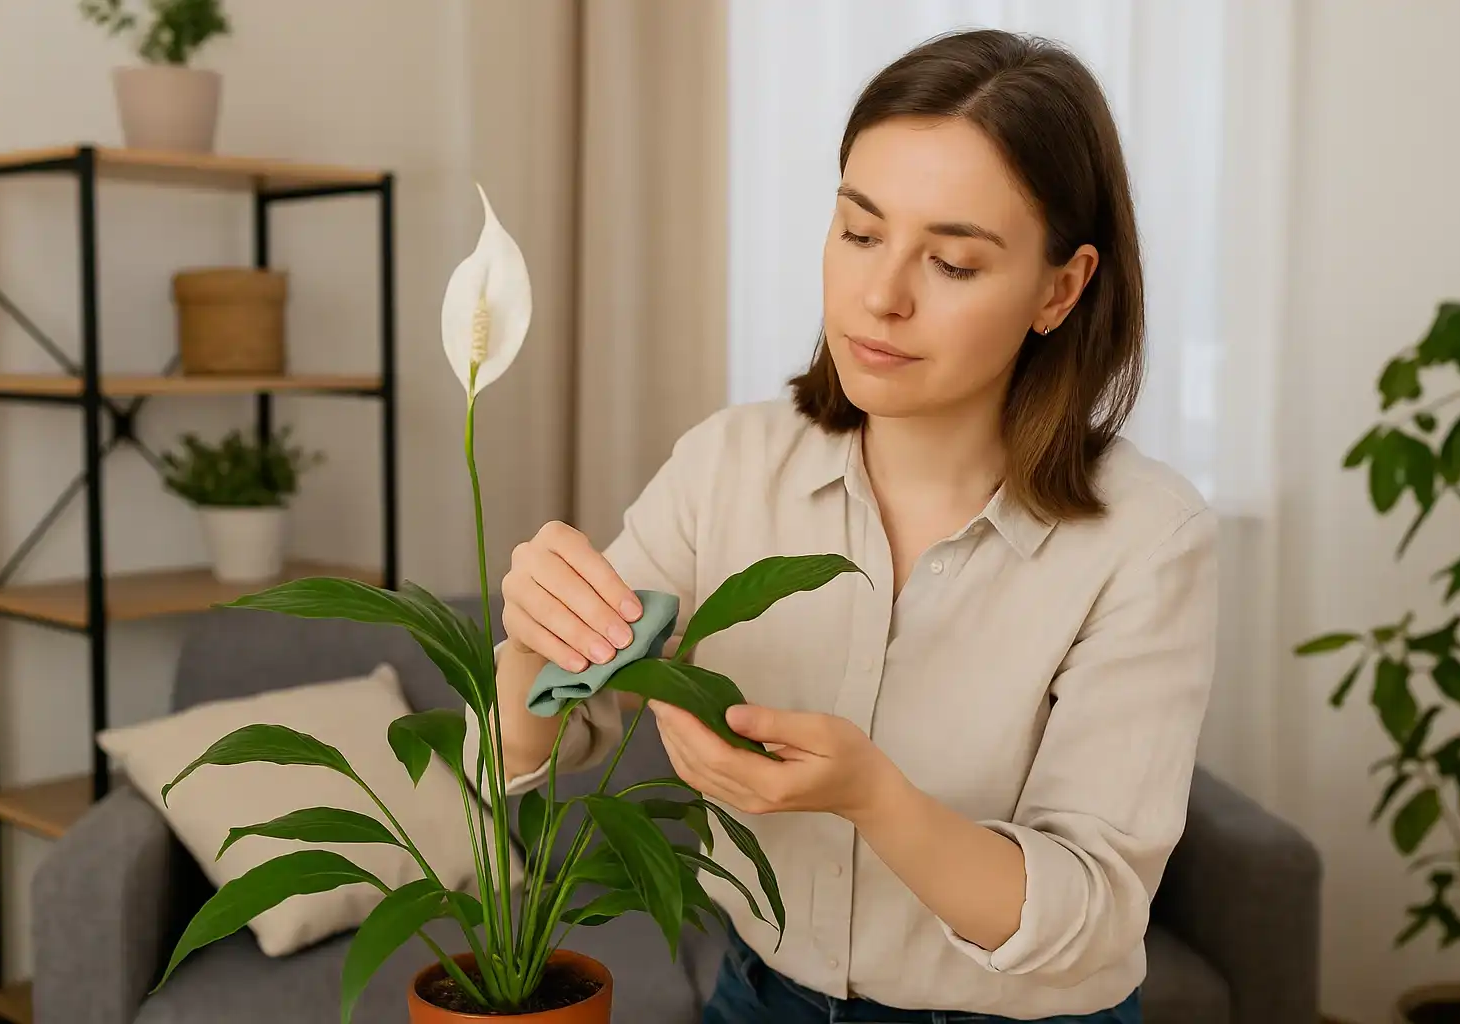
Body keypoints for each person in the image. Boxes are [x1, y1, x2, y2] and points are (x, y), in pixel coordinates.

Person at [492, 27, 1216, 1024]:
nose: (881, 296)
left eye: (953, 263)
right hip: (760, 997)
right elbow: (556, 731)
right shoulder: (729, 464)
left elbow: (1091, 915)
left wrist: (877, 798)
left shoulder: (1147, 536)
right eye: (860, 231)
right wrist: (534, 640)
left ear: (1060, 287)